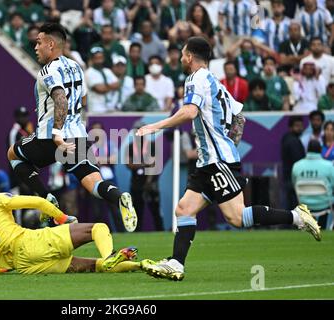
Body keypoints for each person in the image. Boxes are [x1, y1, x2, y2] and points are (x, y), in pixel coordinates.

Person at [136, 37, 321, 281]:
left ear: (190, 56)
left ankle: (297, 217)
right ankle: (176, 263)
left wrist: (156, 126)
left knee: (237, 217)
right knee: (184, 209)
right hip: (210, 162)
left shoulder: (196, 79)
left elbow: (190, 111)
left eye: (183, 54)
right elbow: (239, 118)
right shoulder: (217, 83)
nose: (181, 58)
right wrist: (228, 146)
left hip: (216, 162)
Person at [7, 23, 138, 233]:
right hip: (78, 136)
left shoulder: (48, 70)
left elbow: (61, 100)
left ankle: (46, 198)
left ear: (51, 44)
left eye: (39, 43)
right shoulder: (76, 66)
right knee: (94, 183)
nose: (35, 47)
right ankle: (119, 196)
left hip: (51, 137)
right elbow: (83, 99)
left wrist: (57, 133)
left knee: (13, 154)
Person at [0, 178, 147, 275]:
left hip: (23, 266)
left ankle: (141, 265)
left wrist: (3, 268)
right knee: (98, 228)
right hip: (29, 243)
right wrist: (63, 218)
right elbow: (39, 203)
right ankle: (109, 256)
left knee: (92, 266)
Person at [125, 120, 164, 232]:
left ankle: (160, 233)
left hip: (151, 183)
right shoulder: (130, 146)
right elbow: (129, 164)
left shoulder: (152, 145)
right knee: (136, 212)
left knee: (155, 211)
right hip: (136, 183)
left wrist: (149, 180)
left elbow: (155, 165)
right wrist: (145, 164)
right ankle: (136, 235)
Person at [292, 140, 334, 230]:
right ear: (320, 150)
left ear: (307, 150)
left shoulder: (296, 166)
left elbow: (294, 184)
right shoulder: (329, 166)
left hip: (304, 204)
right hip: (325, 205)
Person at [281, 116, 306, 210]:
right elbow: (298, 161)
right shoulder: (293, 141)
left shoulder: (287, 138)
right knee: (293, 204)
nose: (300, 128)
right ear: (290, 127)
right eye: (297, 126)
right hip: (293, 178)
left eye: (301, 126)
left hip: (288, 176)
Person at [85, 46, 120, 113]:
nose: (99, 60)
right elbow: (100, 89)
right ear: (92, 59)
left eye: (100, 57)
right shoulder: (89, 72)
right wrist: (111, 86)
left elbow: (118, 84)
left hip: (110, 108)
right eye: (96, 58)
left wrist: (105, 86)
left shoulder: (107, 71)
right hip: (96, 109)